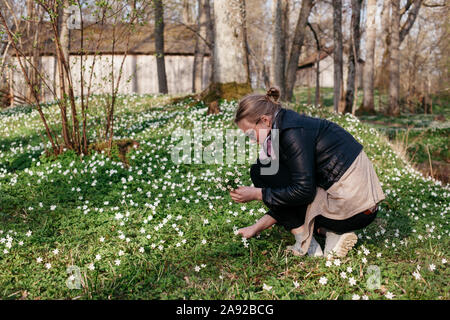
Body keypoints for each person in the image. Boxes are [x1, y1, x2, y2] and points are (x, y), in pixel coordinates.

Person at [229, 87, 385, 257]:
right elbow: (287, 196)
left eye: (251, 134)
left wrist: (258, 193)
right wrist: (256, 227)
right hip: (363, 208)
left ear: (265, 120)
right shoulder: (288, 123)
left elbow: (303, 192)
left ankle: (306, 240)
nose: (252, 141)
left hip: (353, 209)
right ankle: (331, 235)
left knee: (261, 172)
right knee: (265, 170)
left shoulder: (291, 133)